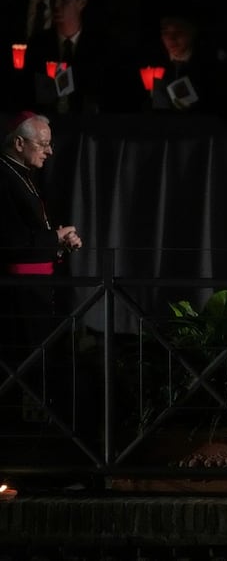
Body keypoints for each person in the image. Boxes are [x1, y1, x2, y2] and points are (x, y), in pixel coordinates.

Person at [0, 111, 83, 429]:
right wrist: (54, 238)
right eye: (43, 144)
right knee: (22, 368)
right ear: (19, 143)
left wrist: (57, 241)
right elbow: (9, 240)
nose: (50, 151)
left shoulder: (19, 173)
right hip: (17, 295)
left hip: (35, 288)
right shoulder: (3, 176)